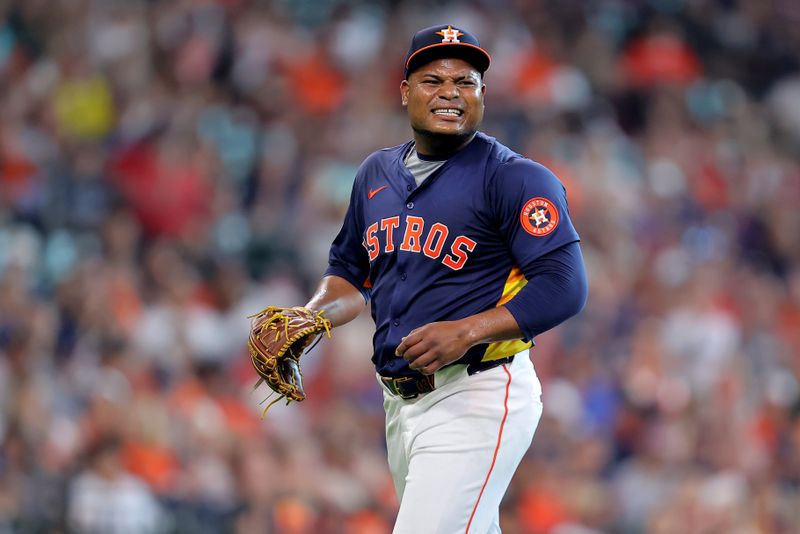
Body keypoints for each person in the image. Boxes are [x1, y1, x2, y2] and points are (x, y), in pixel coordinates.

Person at [280, 24, 587, 533]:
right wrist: (311, 318)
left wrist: (468, 330)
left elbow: (565, 284)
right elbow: (350, 273)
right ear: (405, 92)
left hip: (479, 391)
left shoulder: (515, 178)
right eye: (432, 79)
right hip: (400, 404)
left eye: (465, 81)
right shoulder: (375, 174)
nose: (450, 92)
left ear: (483, 95)